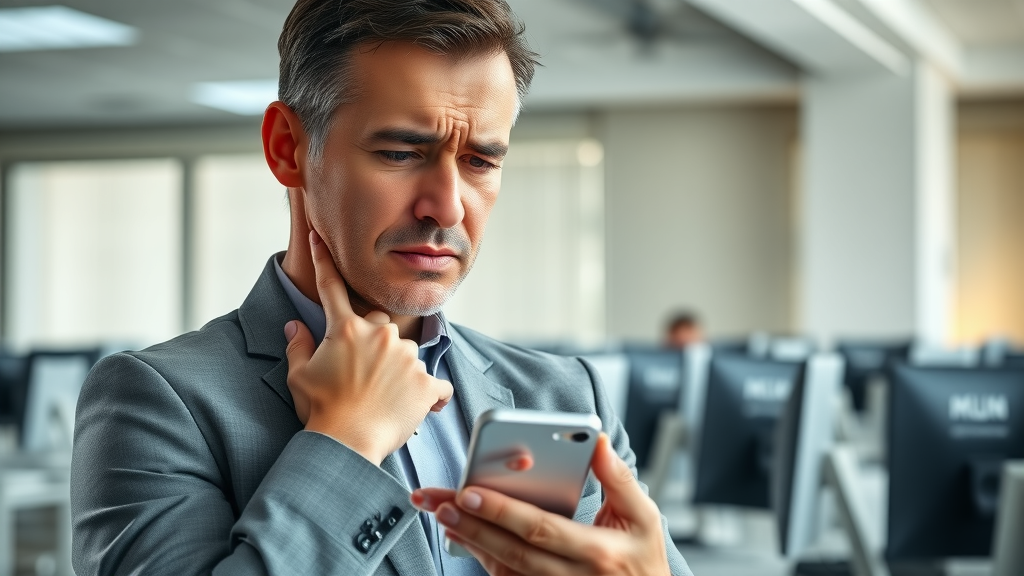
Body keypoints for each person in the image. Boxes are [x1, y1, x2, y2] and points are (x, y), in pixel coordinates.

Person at [70, 1, 693, 575]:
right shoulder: (158, 401)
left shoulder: (558, 394)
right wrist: (345, 443)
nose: (447, 207)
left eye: (480, 161)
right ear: (288, 148)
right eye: (400, 152)